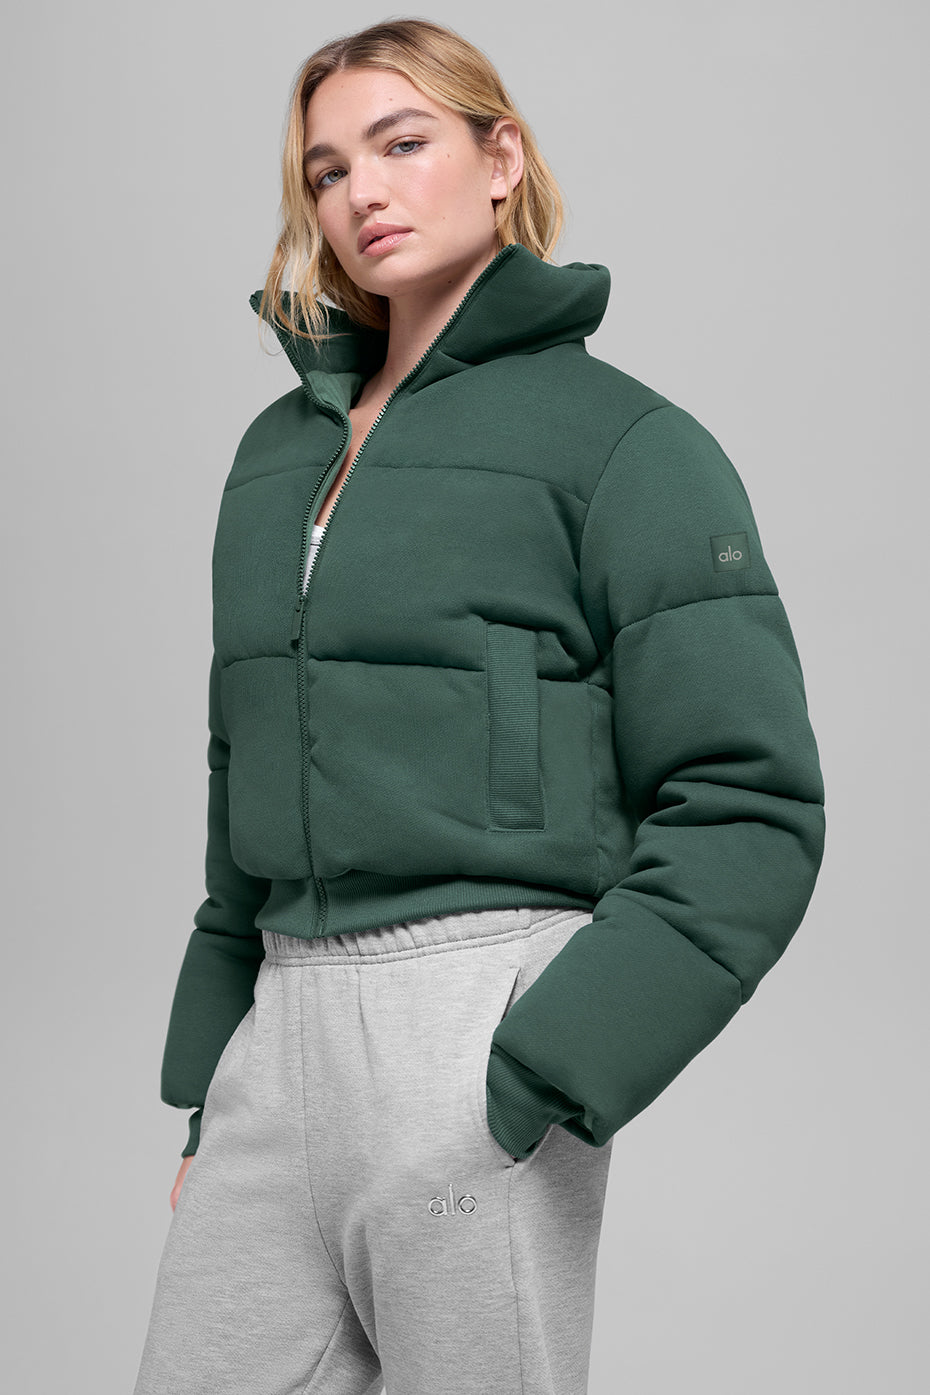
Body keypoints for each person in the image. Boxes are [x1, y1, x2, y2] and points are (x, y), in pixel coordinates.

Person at [132, 16, 826, 1395]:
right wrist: (215, 1077)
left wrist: (543, 1066)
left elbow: (752, 804)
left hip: (472, 1025)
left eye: (403, 144)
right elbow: (239, 774)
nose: (363, 193)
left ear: (500, 159)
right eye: (329, 170)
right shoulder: (272, 459)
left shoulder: (626, 443)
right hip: (279, 1028)